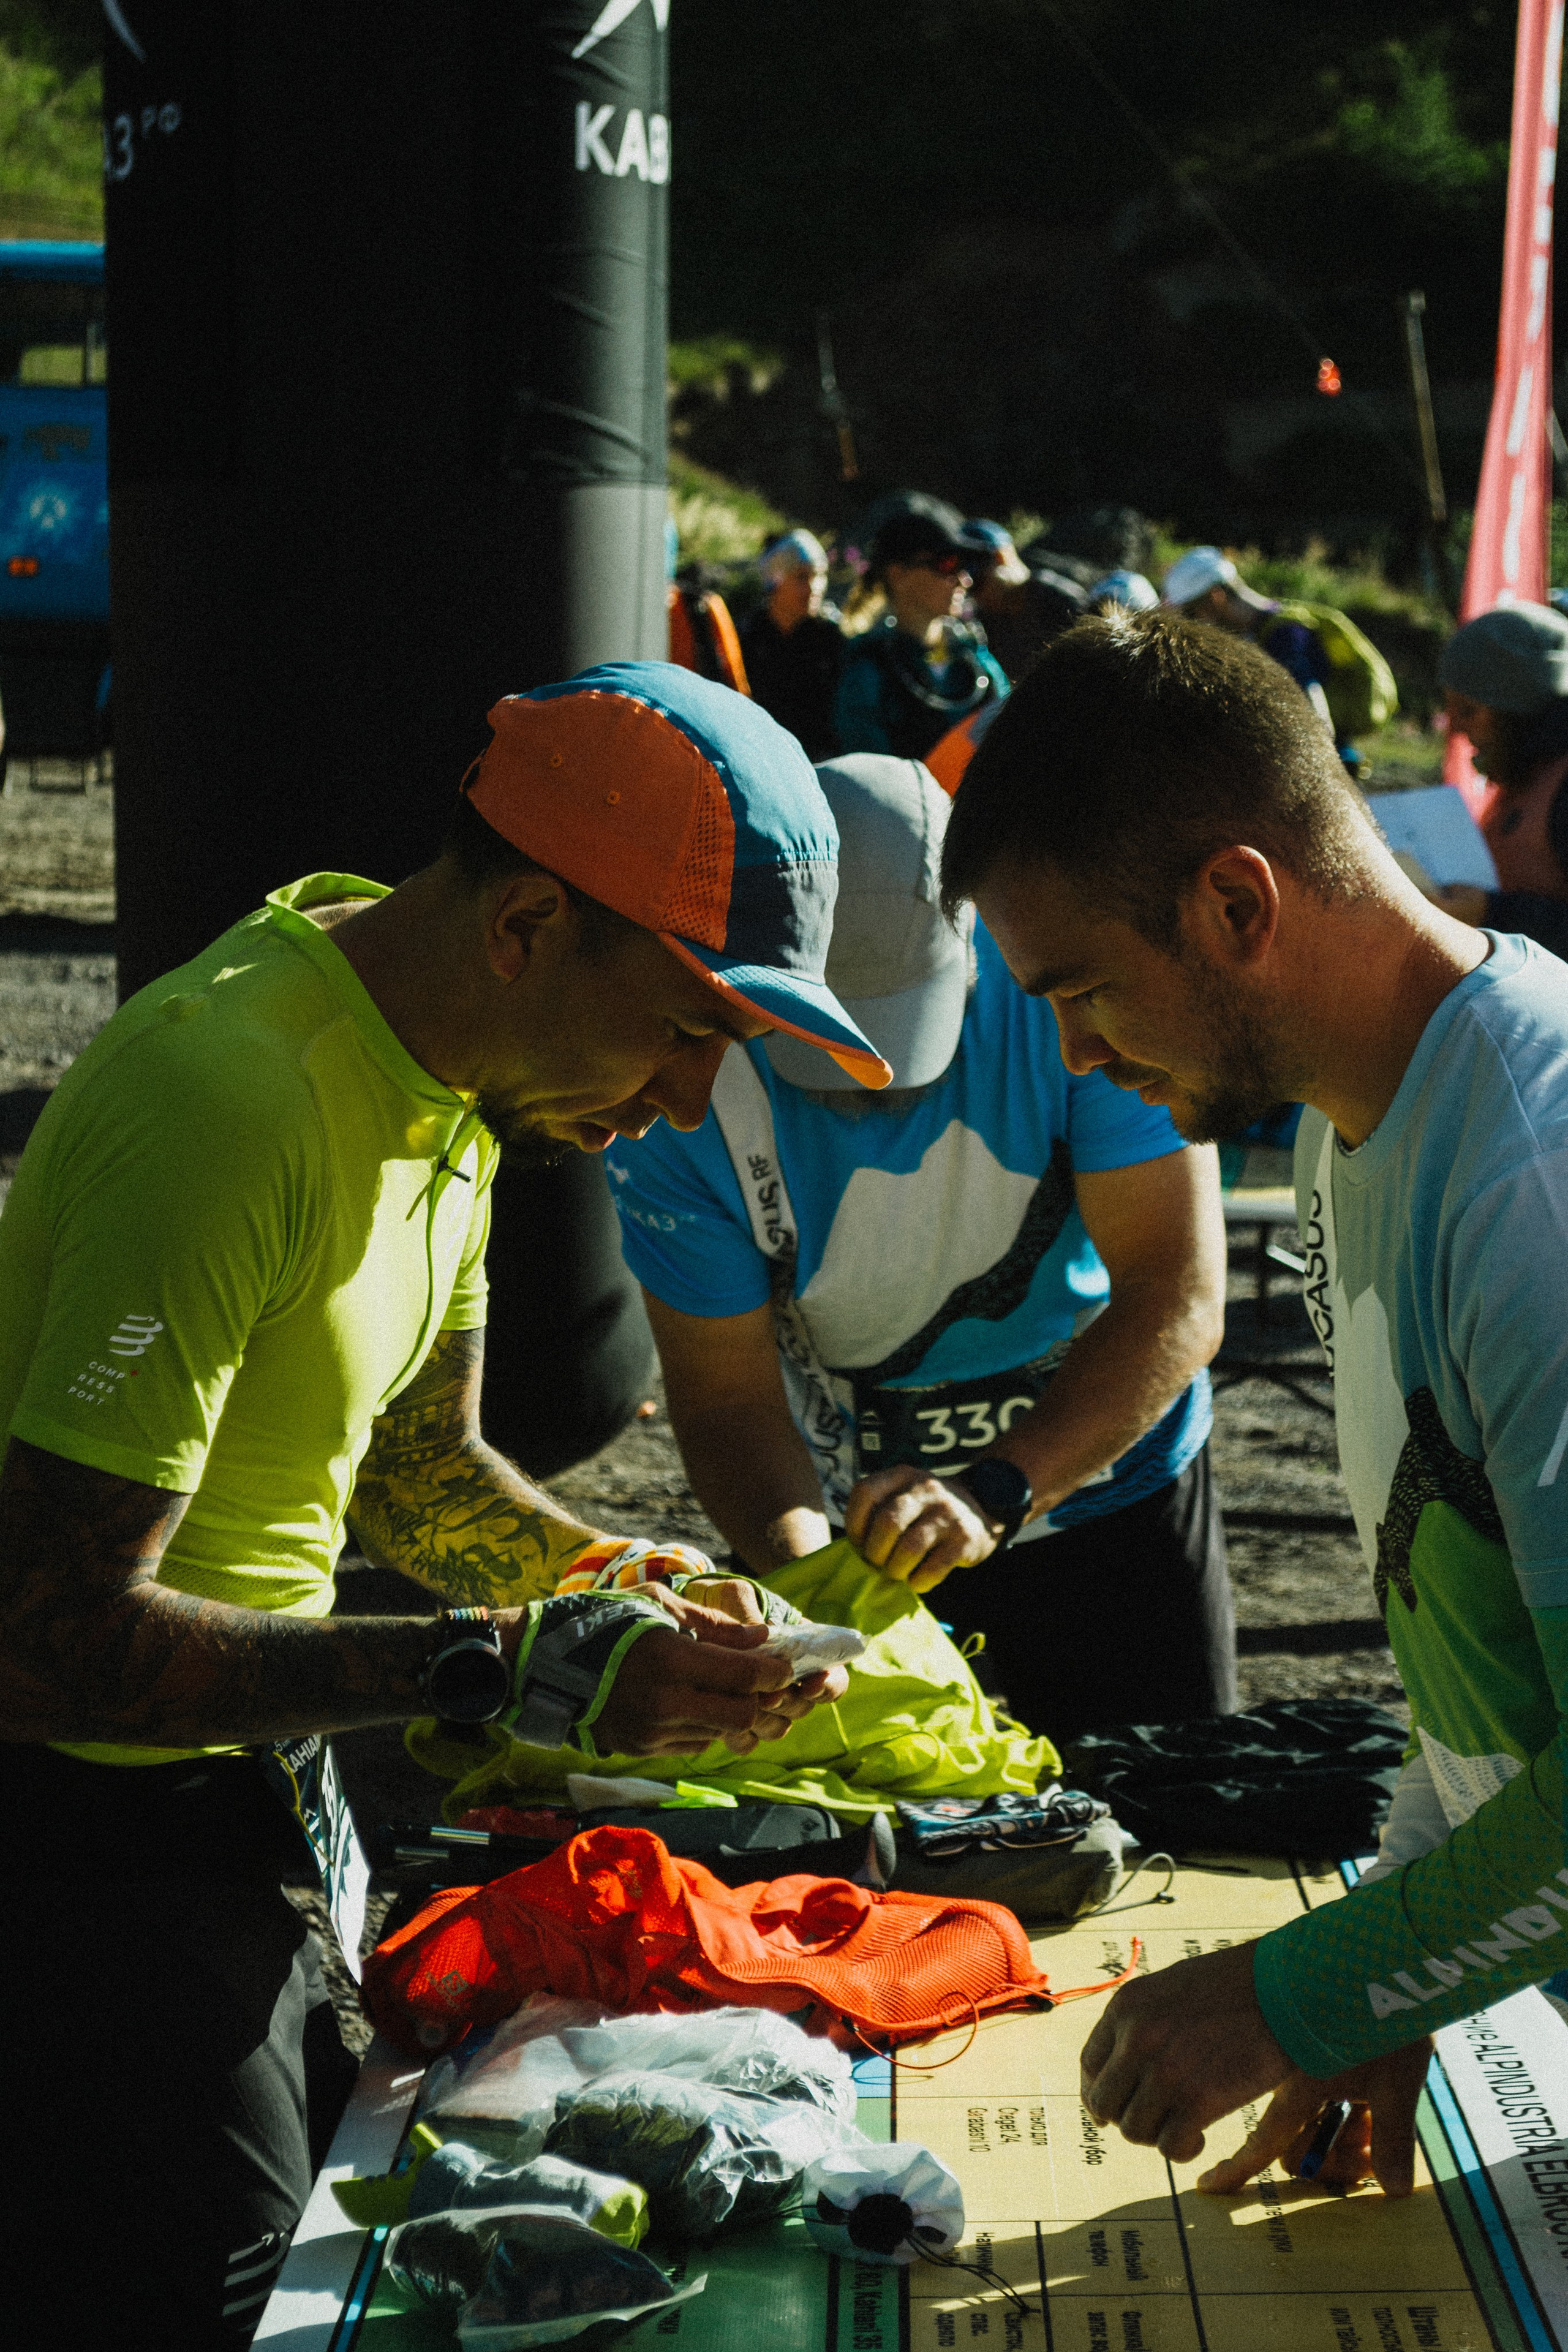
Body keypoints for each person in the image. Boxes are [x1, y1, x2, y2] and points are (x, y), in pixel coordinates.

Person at [0, 663, 872, 2347]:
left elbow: (414, 1468)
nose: (693, 1095)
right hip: (75, 1842)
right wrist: (495, 1665)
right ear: (528, 924)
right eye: (689, 1025)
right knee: (221, 2298)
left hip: (236, 1799)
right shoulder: (228, 1097)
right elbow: (45, 1638)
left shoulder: (444, 1079)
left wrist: (637, 1583)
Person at [941, 608, 1568, 2206]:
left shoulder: (1532, 1192)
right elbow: (1469, 1662)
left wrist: (1299, 1992)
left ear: (1236, 901)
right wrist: (1400, 1967)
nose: (1078, 1054)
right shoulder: (1372, 1134)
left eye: (1081, 992)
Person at [605, 752, 1234, 1741]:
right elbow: (725, 1394)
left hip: (1109, 1486)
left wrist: (999, 1486)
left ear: (974, 937)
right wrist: (811, 1584)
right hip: (859, 1528)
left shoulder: (1070, 990)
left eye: (904, 1036)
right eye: (825, 1042)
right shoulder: (691, 1080)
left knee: (1178, 1829)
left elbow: (1176, 1290)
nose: (871, 1087)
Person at [1434, 600, 1568, 959]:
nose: (1457, 728)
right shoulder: (1527, 770)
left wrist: (1493, 913)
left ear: (1520, 713)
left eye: (1468, 710)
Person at [834, 497, 1008, 760]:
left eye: (966, 566)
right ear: (898, 574)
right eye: (947, 564)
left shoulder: (976, 659)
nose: (964, 579)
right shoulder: (867, 673)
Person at [1163, 544, 1338, 741]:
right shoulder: (1257, 630)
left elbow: (1321, 726)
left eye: (1192, 613)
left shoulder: (1285, 636)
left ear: (1216, 597)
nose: (1194, 623)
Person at [738, 527, 844, 760]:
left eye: (819, 576)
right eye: (802, 577)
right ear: (775, 581)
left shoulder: (831, 639)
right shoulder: (748, 638)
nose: (815, 588)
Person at [964, 518, 1088, 683]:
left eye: (977, 584)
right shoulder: (986, 622)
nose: (976, 598)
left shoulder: (1060, 601)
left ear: (1001, 558)